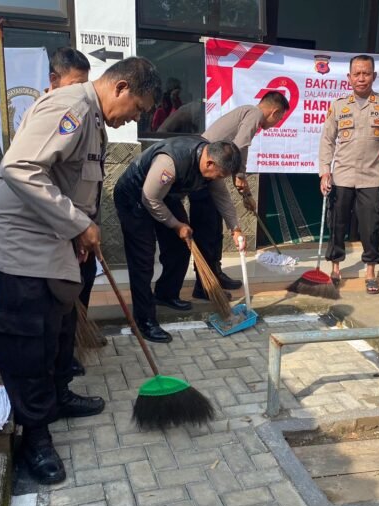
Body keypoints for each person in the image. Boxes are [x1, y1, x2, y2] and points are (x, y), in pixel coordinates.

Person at [0, 57, 160, 484]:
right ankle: (34, 437)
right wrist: (79, 224)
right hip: (19, 246)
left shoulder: (94, 117)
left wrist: (77, 229)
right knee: (29, 343)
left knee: (59, 330)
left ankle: (56, 398)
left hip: (52, 242)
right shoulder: (72, 107)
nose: (135, 117)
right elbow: (20, 167)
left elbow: (70, 184)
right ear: (120, 88)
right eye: (138, 107)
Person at [114, 137, 244, 343]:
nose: (217, 179)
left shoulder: (213, 164)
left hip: (164, 197)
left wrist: (235, 228)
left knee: (181, 245)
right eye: (219, 175)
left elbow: (222, 197)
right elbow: (150, 199)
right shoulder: (171, 162)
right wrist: (176, 224)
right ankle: (145, 320)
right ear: (210, 163)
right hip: (136, 197)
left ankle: (166, 294)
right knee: (143, 259)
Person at [190, 91, 290, 300]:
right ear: (275, 111)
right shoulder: (254, 114)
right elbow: (239, 146)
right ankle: (204, 286)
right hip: (202, 173)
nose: (277, 122)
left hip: (211, 171)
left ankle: (215, 274)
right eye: (279, 118)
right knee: (207, 232)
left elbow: (237, 148)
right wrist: (241, 179)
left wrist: (243, 187)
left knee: (216, 230)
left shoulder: (247, 113)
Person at [319, 55, 379, 294]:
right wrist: (325, 172)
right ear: (349, 77)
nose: (361, 78)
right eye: (357, 74)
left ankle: (370, 271)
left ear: (374, 76)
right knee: (337, 224)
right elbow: (327, 142)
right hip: (342, 177)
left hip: (371, 178)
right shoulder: (338, 105)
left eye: (366, 73)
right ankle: (335, 268)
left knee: (370, 226)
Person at [47, 47, 99, 378]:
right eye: (75, 83)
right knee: (60, 299)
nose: (81, 91)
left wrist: (87, 226)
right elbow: (40, 182)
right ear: (54, 80)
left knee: (86, 280)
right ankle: (60, 360)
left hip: (80, 223)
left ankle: (72, 348)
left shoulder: (85, 115)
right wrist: (76, 226)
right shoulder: (51, 116)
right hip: (56, 228)